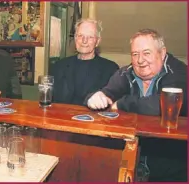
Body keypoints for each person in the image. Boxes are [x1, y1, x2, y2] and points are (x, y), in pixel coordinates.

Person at [86, 28, 187, 182]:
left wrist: (121, 103)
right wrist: (95, 98)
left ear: (162, 52)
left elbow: (161, 105)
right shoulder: (126, 72)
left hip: (172, 165)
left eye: (146, 53)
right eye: (135, 54)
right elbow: (107, 92)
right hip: (131, 159)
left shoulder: (180, 72)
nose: (140, 60)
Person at [51, 18, 119, 105]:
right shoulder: (59, 66)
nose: (84, 41)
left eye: (90, 37)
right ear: (75, 38)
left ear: (97, 41)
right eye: (80, 36)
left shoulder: (110, 69)